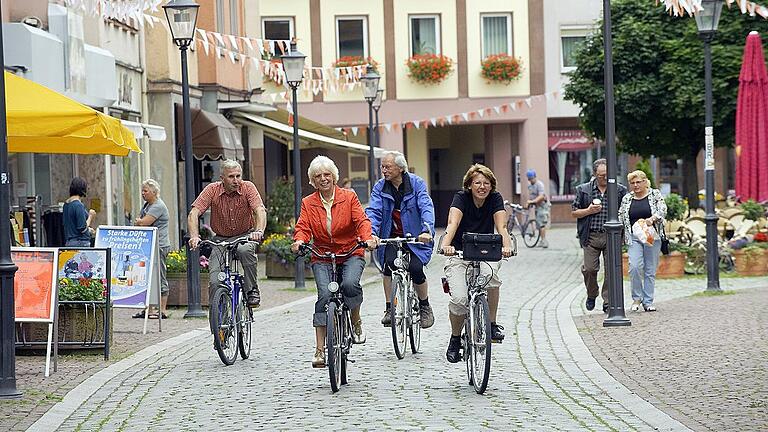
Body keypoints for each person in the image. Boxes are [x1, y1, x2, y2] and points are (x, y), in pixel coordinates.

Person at [291, 156, 376, 368]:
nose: (323, 179)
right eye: (318, 176)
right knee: (324, 296)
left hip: (350, 252)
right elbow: (303, 226)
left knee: (349, 285)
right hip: (322, 254)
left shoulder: (349, 197)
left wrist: (367, 238)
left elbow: (361, 220)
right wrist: (299, 240)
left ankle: (355, 321)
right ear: (312, 180)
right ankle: (319, 350)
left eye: (326, 175)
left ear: (334, 176)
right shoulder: (308, 203)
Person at [440, 164, 514, 363]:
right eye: (477, 183)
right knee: (459, 300)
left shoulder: (495, 199)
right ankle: (456, 338)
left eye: (486, 183)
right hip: (459, 252)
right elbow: (452, 223)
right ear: (469, 185)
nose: (482, 187)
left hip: (487, 251)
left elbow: (502, 226)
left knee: (491, 277)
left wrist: (506, 247)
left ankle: (491, 324)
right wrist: (445, 245)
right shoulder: (461, 198)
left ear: (491, 186)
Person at [366, 151, 436, 329]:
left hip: (414, 237)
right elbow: (373, 211)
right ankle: (390, 308)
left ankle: (424, 306)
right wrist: (372, 233)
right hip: (390, 235)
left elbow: (426, 206)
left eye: (387, 167)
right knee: (389, 265)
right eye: (382, 166)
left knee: (415, 268)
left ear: (400, 168)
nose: (384, 170)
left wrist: (426, 230)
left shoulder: (416, 183)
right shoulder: (380, 187)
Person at [188, 160, 266, 309]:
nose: (236, 180)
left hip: (245, 235)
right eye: (231, 176)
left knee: (245, 251)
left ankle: (252, 290)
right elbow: (194, 213)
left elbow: (260, 210)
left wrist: (258, 231)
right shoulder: (212, 189)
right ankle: (218, 312)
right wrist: (194, 236)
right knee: (215, 280)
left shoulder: (248, 187)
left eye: (238, 176)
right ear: (222, 178)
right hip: (220, 239)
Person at [571, 159, 628, 313]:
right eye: (601, 175)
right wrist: (588, 210)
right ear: (595, 175)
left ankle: (608, 301)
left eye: (607, 175)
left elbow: (626, 212)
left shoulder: (620, 190)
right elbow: (574, 212)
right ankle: (592, 293)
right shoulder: (584, 190)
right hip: (591, 236)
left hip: (612, 236)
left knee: (611, 270)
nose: (604, 178)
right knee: (589, 269)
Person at [619, 170, 666, 312]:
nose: (635, 185)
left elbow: (663, 209)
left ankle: (648, 301)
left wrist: (653, 218)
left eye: (638, 182)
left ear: (645, 182)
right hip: (634, 237)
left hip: (652, 236)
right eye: (632, 183)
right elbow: (621, 214)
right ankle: (636, 298)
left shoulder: (654, 194)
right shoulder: (627, 198)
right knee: (634, 266)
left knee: (650, 269)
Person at [134, 179, 171, 319]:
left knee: (159, 275)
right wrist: (139, 222)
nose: (143, 193)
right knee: (148, 277)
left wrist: (139, 222)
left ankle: (162, 310)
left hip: (159, 246)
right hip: (150, 245)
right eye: (142, 191)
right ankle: (148, 310)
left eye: (145, 191)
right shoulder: (147, 205)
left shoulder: (158, 206)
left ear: (154, 192)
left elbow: (143, 222)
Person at [63, 177, 96, 247]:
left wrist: (89, 230)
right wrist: (90, 216)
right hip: (80, 243)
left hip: (69, 242)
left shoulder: (66, 205)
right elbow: (82, 228)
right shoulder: (78, 205)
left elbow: (73, 226)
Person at [526, 168, 551, 248]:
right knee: (538, 224)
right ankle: (541, 240)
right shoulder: (530, 186)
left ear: (535, 177)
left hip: (543, 206)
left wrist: (532, 201)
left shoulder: (539, 184)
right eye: (529, 179)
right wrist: (530, 203)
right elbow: (532, 196)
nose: (531, 180)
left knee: (542, 224)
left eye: (532, 178)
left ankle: (544, 241)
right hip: (537, 207)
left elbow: (541, 196)